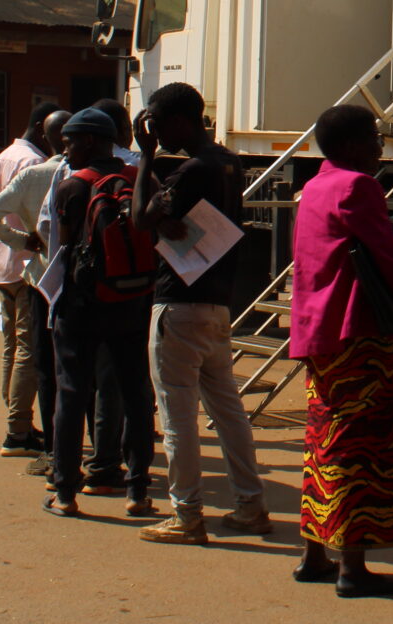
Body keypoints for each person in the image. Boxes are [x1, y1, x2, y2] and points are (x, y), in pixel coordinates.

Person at [288, 104, 393, 596]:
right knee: (361, 447)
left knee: (323, 441)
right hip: (359, 334)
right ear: (349, 146)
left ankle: (313, 555)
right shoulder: (357, 186)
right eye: (372, 138)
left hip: (319, 335)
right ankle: (353, 567)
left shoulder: (315, 187)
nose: (379, 146)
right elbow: (388, 258)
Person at [130, 81, 271, 545]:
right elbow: (162, 216)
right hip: (216, 303)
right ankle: (251, 505)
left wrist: (147, 158)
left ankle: (187, 514)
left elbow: (139, 218)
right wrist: (160, 214)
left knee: (177, 414)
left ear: (178, 121)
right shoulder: (229, 163)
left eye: (155, 123)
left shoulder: (190, 169)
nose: (153, 131)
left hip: (178, 303)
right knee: (228, 411)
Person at [43, 106, 159, 519]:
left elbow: (60, 247)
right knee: (135, 391)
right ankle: (138, 492)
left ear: (90, 141)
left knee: (72, 391)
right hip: (132, 300)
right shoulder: (138, 179)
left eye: (70, 141)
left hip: (82, 303)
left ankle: (65, 491)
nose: (65, 148)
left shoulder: (72, 187)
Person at [0, 108, 69, 470]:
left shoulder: (5, 156)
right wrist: (25, 242)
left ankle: (17, 419)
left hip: (3, 263)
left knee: (13, 347)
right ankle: (18, 427)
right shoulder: (35, 163)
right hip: (28, 267)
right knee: (29, 351)